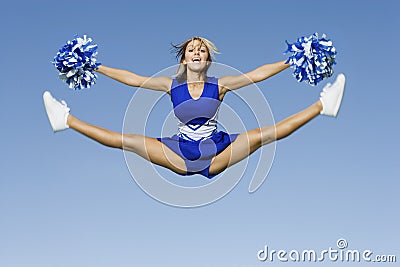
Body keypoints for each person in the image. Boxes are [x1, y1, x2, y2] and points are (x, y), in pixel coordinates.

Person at [43, 36, 345, 178]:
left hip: (217, 150)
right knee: (128, 141)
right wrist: (94, 66)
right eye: (192, 50)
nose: (198, 52)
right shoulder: (170, 86)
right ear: (185, 59)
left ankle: (323, 105)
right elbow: (133, 79)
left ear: (208, 60)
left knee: (263, 135)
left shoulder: (221, 84)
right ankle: (65, 119)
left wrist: (294, 58)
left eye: (202, 50)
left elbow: (257, 74)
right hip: (180, 153)